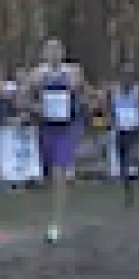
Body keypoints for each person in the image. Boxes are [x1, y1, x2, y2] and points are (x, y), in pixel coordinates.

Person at [25, 39, 89, 244]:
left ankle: (55, 224)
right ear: (44, 54)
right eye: (50, 50)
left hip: (66, 128)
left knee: (58, 173)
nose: (54, 54)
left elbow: (86, 95)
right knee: (49, 175)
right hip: (46, 128)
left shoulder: (73, 72)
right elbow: (23, 99)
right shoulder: (37, 74)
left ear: (63, 53)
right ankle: (51, 211)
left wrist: (81, 106)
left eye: (57, 50)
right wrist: (34, 107)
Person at [110, 64, 139, 205]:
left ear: (133, 78)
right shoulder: (114, 91)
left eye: (129, 76)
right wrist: (112, 120)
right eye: (124, 76)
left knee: (131, 156)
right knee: (123, 162)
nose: (127, 79)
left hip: (135, 129)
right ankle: (128, 191)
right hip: (120, 129)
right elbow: (111, 108)